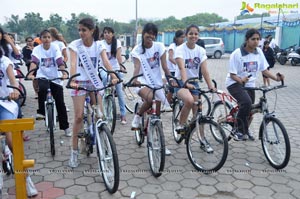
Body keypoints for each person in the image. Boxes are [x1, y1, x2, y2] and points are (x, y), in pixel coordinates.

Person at [68, 18, 119, 168]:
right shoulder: (75, 45)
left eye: (84, 30)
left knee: (100, 115)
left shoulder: (99, 45)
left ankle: (103, 143)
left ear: (92, 31)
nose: (81, 33)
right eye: (80, 30)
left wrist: (113, 75)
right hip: (79, 82)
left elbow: (105, 61)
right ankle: (74, 152)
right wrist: (72, 79)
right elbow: (72, 63)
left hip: (94, 81)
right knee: (78, 117)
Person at [225, 28, 284, 141]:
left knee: (250, 109)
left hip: (250, 84)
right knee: (246, 103)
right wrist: (241, 80)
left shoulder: (259, 52)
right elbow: (232, 74)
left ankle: (245, 128)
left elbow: (264, 70)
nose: (256, 41)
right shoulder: (237, 54)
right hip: (234, 83)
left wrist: (277, 78)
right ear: (247, 39)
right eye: (253, 39)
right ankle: (239, 130)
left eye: (258, 39)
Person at [0, 49, 38, 197]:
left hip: (5, 103)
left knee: (12, 141)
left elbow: (13, 80)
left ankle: (26, 177)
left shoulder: (5, 62)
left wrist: (14, 90)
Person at [130, 23, 172, 155]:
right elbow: (136, 67)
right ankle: (137, 117)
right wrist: (135, 79)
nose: (151, 36)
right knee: (150, 99)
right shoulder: (137, 50)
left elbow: (165, 67)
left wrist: (171, 79)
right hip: (142, 81)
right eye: (149, 33)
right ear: (143, 34)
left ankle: (158, 141)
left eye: (154, 34)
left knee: (157, 117)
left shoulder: (159, 47)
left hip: (156, 83)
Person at [174, 24, 215, 152]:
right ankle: (180, 124)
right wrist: (185, 82)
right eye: (191, 33)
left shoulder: (200, 50)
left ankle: (202, 139)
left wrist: (210, 85)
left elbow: (204, 70)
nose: (193, 36)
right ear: (186, 35)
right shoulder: (180, 49)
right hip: (180, 82)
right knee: (189, 101)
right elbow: (182, 68)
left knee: (198, 113)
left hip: (194, 83)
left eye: (196, 33)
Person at [27, 29, 71, 137]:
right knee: (42, 88)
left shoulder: (55, 47)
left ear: (51, 38)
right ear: (40, 39)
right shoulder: (37, 49)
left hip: (56, 77)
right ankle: (41, 111)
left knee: (60, 103)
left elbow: (60, 61)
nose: (46, 39)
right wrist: (30, 73)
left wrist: (64, 73)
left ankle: (65, 127)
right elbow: (34, 62)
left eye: (48, 37)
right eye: (44, 37)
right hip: (43, 76)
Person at [100, 26, 127, 124]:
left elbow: (119, 57)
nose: (106, 34)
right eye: (105, 32)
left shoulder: (117, 43)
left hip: (115, 69)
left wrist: (121, 67)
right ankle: (105, 95)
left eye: (109, 32)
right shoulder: (101, 44)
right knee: (104, 78)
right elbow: (104, 60)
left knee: (120, 92)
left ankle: (123, 115)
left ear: (113, 34)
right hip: (103, 69)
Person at [166, 30, 185, 104]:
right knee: (172, 88)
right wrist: (178, 64)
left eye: (184, 37)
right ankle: (166, 104)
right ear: (176, 38)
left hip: (177, 71)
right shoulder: (172, 46)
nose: (183, 39)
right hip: (171, 70)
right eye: (181, 37)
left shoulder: (182, 47)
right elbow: (170, 58)